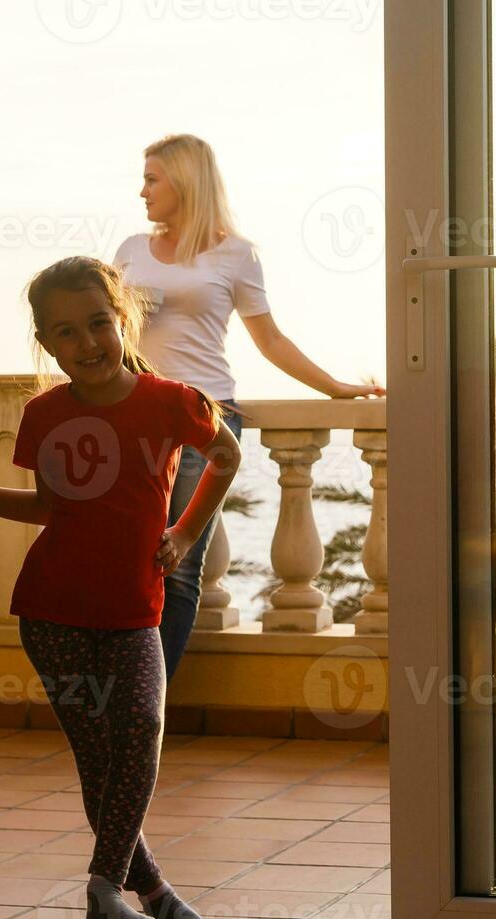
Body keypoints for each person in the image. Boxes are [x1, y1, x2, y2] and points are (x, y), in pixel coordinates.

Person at [0, 255, 238, 919]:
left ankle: (119, 891)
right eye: (66, 333)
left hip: (135, 608)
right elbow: (49, 508)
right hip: (52, 611)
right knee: (102, 764)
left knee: (140, 727)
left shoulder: (174, 401)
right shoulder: (44, 414)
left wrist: (186, 530)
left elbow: (226, 459)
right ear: (47, 344)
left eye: (99, 324)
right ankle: (135, 896)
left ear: (123, 319)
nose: (88, 344)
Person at [112, 132, 384, 682]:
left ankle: (150, 700)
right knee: (130, 558)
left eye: (151, 178)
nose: (142, 190)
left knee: (180, 564)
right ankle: (124, 693)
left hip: (203, 416)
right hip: (136, 413)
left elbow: (270, 340)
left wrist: (336, 387)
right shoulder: (130, 251)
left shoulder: (236, 253)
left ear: (184, 181)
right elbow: (108, 334)